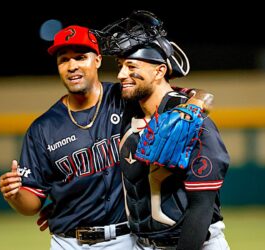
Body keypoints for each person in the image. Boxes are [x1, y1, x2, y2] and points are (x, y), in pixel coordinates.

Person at [99, 10, 230, 250]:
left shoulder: (194, 123)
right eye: (120, 66)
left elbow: (201, 209)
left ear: (159, 71)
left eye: (131, 66)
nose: (121, 75)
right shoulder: (127, 114)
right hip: (141, 243)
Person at [0, 25, 136, 249]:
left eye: (81, 57)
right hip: (69, 242)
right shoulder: (43, 128)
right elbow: (32, 203)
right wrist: (14, 195)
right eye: (64, 60)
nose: (72, 66)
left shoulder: (125, 99)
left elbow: (175, 96)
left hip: (126, 238)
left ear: (98, 60)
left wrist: (196, 100)